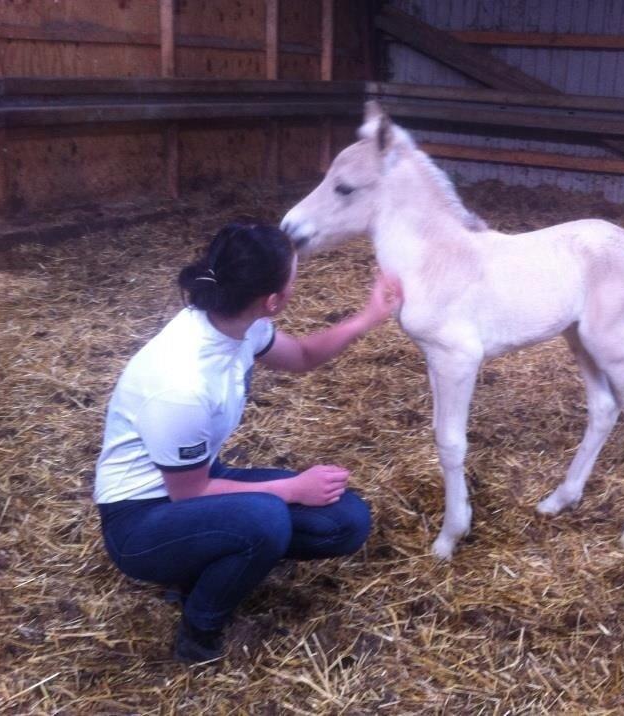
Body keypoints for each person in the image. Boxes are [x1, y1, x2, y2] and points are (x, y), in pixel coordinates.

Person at [93, 222, 401, 663]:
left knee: (346, 520)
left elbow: (304, 356)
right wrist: (293, 490)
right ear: (273, 301)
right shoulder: (182, 383)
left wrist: (369, 316)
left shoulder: (237, 322)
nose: (298, 284)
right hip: (139, 519)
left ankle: (206, 562)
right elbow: (190, 493)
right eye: (295, 279)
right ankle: (199, 631)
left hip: (192, 484)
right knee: (265, 519)